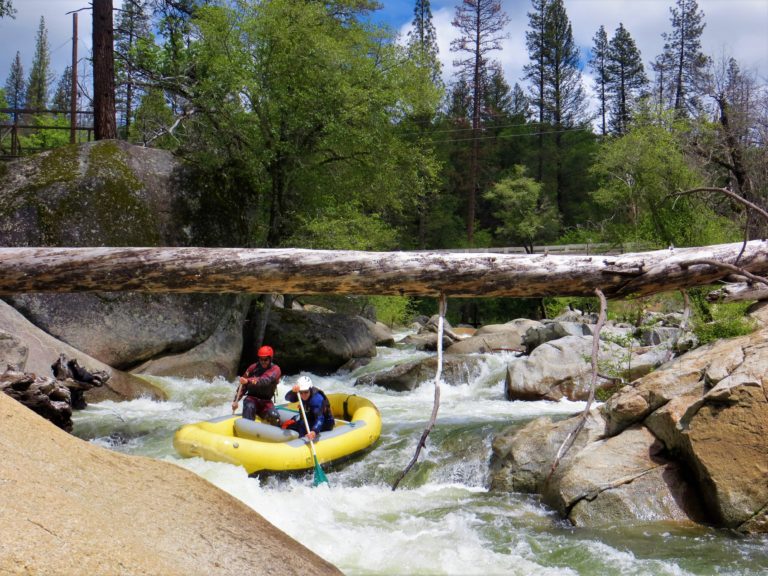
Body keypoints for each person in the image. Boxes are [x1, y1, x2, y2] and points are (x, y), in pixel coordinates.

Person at [231, 345, 282, 425]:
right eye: (261, 359)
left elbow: (265, 380)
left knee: (275, 417)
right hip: (252, 399)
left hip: (266, 401)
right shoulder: (252, 368)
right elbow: (243, 385)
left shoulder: (275, 369)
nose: (263, 362)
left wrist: (248, 381)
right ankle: (247, 430)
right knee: (249, 407)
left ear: (270, 359)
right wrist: (236, 400)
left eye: (266, 359)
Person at [283, 375, 334, 440]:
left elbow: (320, 419)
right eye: (301, 392)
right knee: (290, 426)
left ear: (310, 389)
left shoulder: (316, 399)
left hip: (326, 422)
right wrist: (293, 391)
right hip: (310, 418)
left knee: (302, 425)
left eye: (306, 392)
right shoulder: (300, 394)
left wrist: (314, 431)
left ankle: (300, 442)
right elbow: (288, 398)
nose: (303, 395)